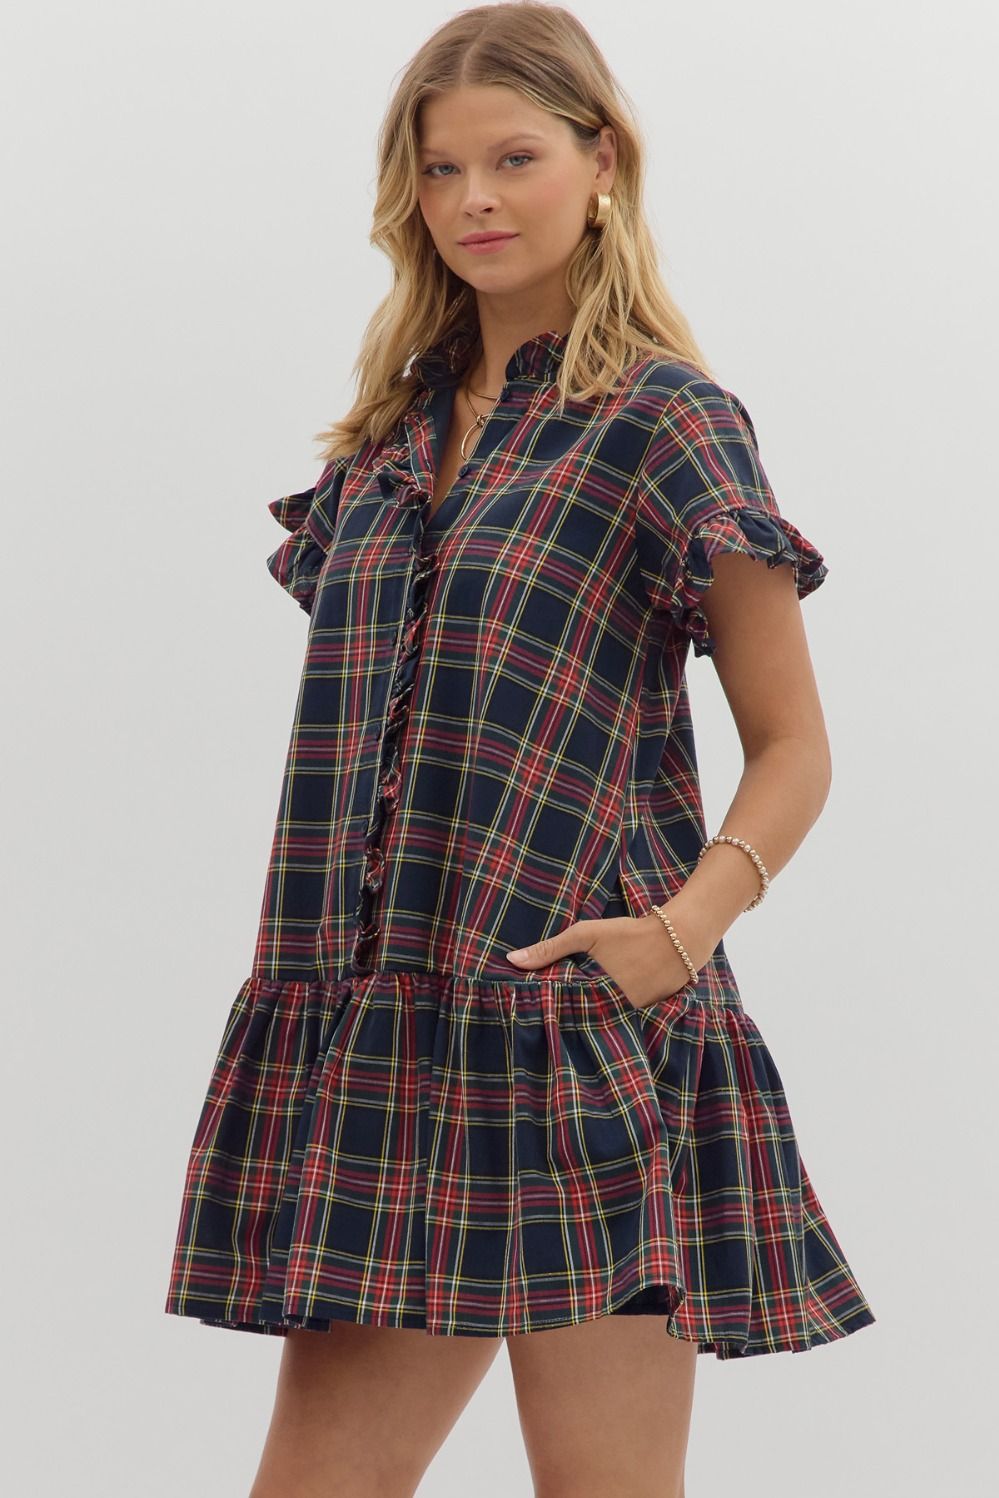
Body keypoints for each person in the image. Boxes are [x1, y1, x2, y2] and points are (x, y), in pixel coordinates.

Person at [164, 4, 876, 1494]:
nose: (473, 199)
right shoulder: (383, 444)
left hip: (571, 1033)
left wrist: (682, 932)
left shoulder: (666, 423)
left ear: (601, 162)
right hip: (380, 1042)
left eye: (513, 159)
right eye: (439, 171)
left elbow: (795, 744)